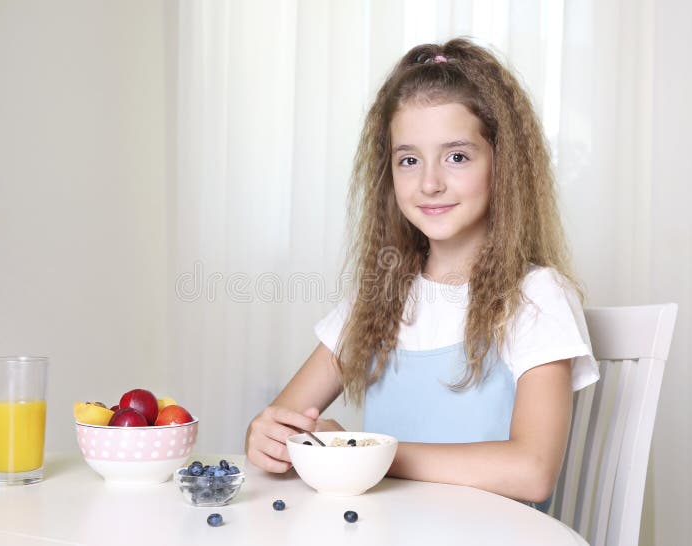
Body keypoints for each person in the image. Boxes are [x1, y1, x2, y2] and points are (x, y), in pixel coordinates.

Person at [244, 37, 599, 510]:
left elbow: (532, 471)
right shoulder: (380, 297)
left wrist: (365, 453)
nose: (430, 182)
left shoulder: (536, 296)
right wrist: (264, 435)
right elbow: (279, 420)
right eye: (409, 160)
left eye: (457, 156)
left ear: (503, 165)